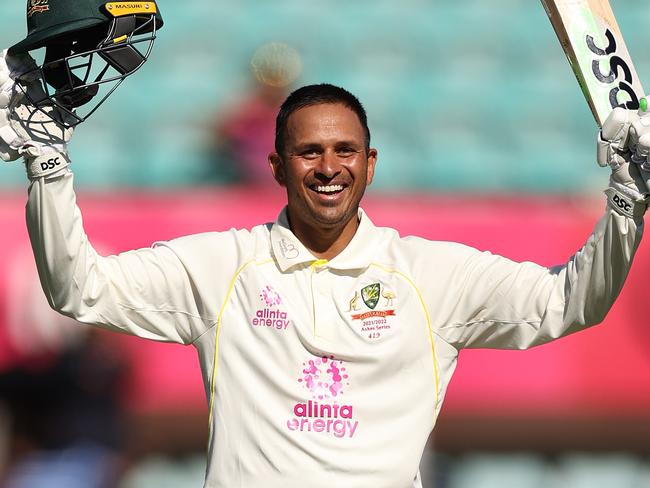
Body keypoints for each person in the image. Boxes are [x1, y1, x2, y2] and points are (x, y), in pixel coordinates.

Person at [2, 46, 650, 488]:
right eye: (308, 151)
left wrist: (626, 202)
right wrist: (48, 166)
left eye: (346, 150)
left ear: (371, 164)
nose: (328, 167)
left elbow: (571, 303)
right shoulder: (220, 265)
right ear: (278, 167)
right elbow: (77, 289)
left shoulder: (430, 275)